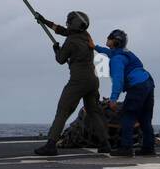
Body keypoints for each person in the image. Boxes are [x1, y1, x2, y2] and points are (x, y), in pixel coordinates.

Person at [33, 10, 109, 156]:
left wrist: (56, 49)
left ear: (73, 23)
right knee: (93, 112)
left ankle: (51, 144)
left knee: (63, 110)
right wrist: (45, 21)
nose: (67, 23)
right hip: (93, 80)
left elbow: (61, 59)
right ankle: (105, 144)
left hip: (78, 81)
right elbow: (62, 31)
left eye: (69, 21)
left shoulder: (71, 41)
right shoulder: (86, 36)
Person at [94, 29, 156, 156]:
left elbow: (118, 80)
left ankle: (126, 148)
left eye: (109, 38)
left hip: (137, 86)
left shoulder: (117, 60)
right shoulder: (123, 53)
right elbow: (108, 52)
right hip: (148, 82)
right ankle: (148, 148)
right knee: (145, 119)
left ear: (115, 41)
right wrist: (95, 47)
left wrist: (113, 99)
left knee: (127, 116)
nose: (107, 39)